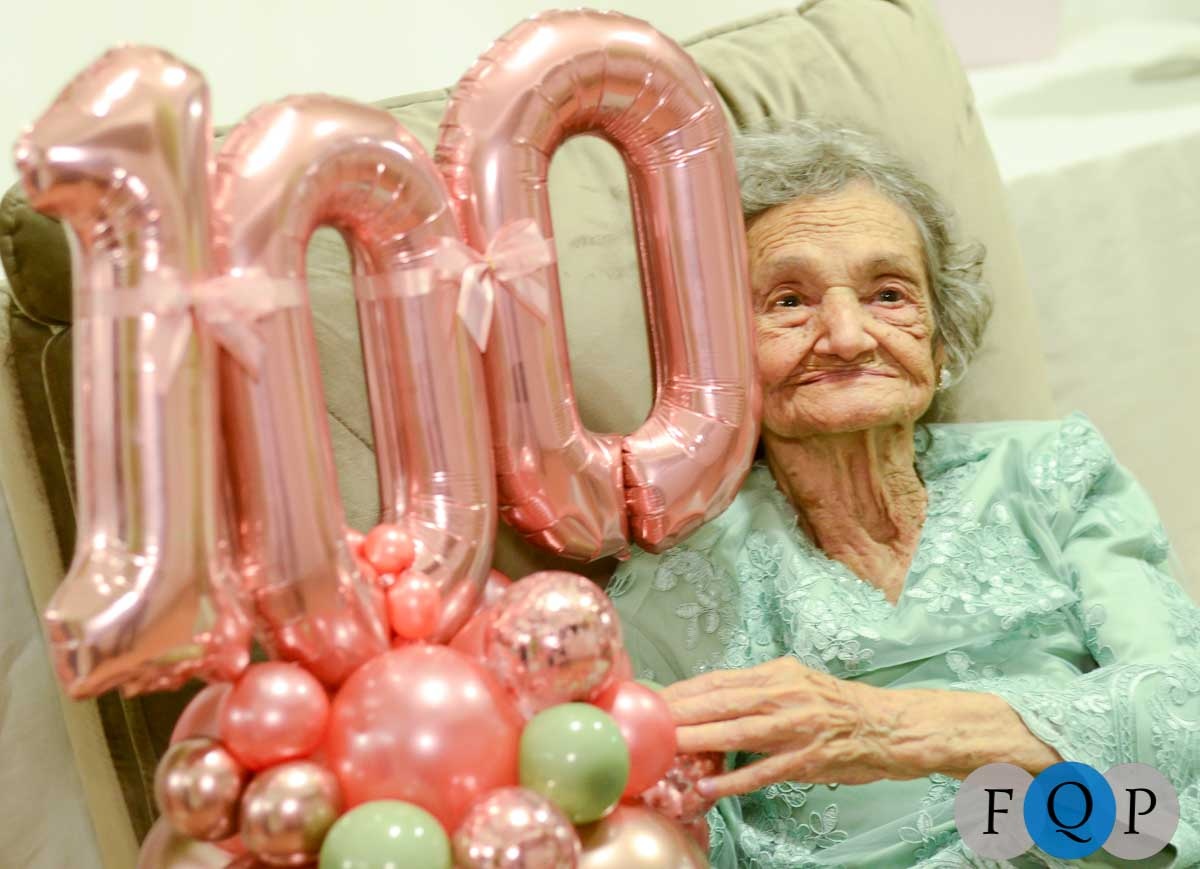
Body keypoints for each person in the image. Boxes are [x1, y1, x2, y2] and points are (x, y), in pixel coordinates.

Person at [606, 119, 1200, 868]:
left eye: (888, 294)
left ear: (940, 338)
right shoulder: (680, 581)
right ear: (719, 357)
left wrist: (883, 726)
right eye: (787, 301)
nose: (848, 336)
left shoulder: (1051, 473)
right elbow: (670, 838)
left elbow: (1184, 706)